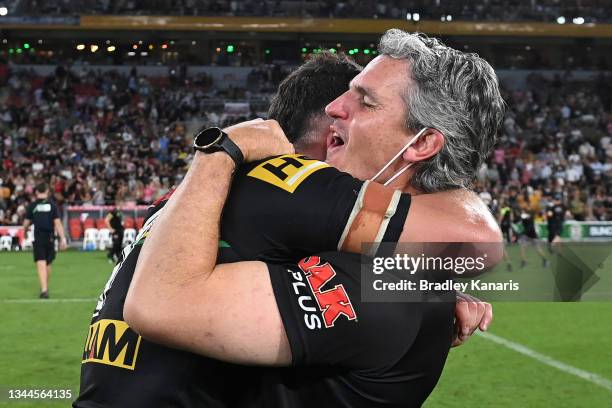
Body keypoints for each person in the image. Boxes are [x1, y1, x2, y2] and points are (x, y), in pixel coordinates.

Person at [75, 49, 495, 408]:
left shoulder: (204, 194)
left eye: (365, 101)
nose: (337, 111)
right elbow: (481, 242)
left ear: (422, 143)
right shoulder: (296, 200)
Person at [23, 182, 67, 299]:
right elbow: (57, 223)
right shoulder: (52, 205)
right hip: (50, 238)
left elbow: (26, 224)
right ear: (47, 192)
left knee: (41, 262)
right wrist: (63, 239)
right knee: (47, 263)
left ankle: (44, 289)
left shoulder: (32, 206)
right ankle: (45, 288)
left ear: (36, 192)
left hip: (39, 237)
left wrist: (25, 232)